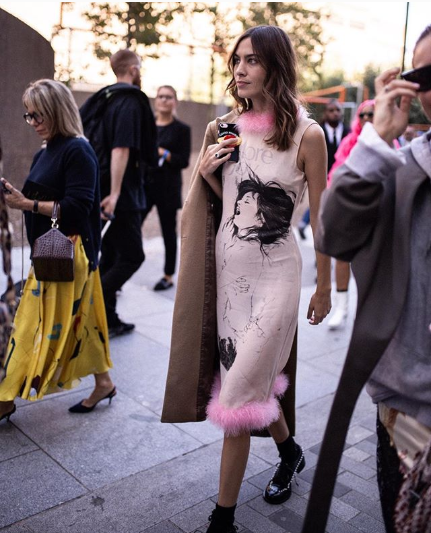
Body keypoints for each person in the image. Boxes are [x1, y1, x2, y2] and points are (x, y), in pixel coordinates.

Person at [162, 25, 331, 533]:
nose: (240, 68)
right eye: (236, 59)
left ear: (275, 66)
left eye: (252, 60)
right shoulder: (223, 128)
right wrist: (208, 171)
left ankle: (223, 519)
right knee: (246, 378)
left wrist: (325, 285)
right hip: (229, 272)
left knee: (236, 395)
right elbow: (225, 200)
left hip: (278, 276)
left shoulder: (308, 134)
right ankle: (291, 452)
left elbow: (321, 218)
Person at [302, 25, 431, 533]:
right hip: (412, 414)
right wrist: (377, 138)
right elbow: (332, 232)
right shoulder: (400, 166)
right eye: (426, 74)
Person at [0, 79, 115, 422]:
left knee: (29, 326)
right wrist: (16, 198)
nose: (33, 122)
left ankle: (4, 398)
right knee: (85, 324)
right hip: (49, 253)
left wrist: (27, 203)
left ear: (56, 112)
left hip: (68, 255)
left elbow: (79, 207)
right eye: (28, 116)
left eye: (39, 115)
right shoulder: (45, 150)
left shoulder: (78, 150)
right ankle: (105, 382)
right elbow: (42, 196)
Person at [81, 49, 157, 338]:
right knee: (132, 256)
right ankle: (89, 303)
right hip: (119, 190)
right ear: (134, 69)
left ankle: (108, 320)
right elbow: (121, 148)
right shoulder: (130, 100)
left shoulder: (102, 97)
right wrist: (114, 193)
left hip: (97, 183)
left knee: (110, 254)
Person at [325, 99, 375, 330]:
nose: (366, 118)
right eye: (362, 115)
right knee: (342, 258)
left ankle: (365, 311)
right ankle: (341, 308)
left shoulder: (389, 141)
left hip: (376, 212)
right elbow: (336, 174)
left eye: (371, 114)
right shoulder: (348, 142)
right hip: (348, 209)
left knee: (370, 262)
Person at [142, 85, 191, 291]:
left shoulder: (182, 129)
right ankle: (120, 270)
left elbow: (184, 161)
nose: (164, 100)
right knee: (130, 227)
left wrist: (165, 154)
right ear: (156, 100)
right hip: (144, 185)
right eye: (161, 96)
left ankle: (168, 275)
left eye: (169, 97)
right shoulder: (146, 126)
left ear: (175, 102)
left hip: (167, 188)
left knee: (169, 233)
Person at [297, 99, 350, 240]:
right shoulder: (315, 131)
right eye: (331, 110)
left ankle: (305, 224)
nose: (335, 113)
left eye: (338, 110)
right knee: (320, 204)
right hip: (321, 175)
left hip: (340, 177)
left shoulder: (347, 132)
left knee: (328, 207)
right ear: (325, 113)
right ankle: (306, 224)